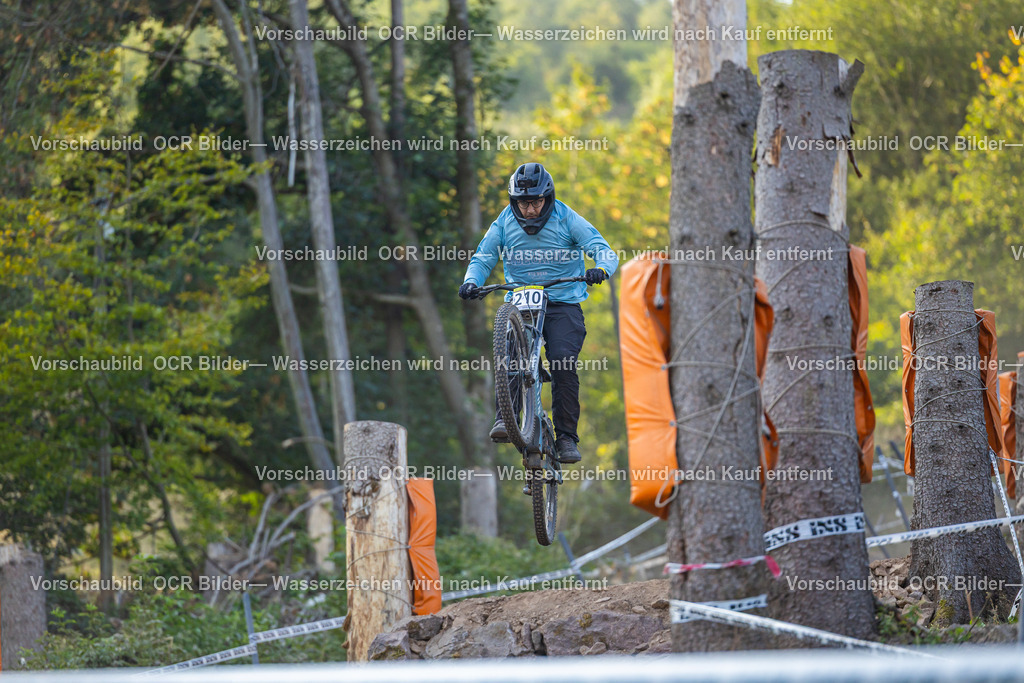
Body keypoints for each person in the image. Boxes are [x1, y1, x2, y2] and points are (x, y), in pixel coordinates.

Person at [458, 162, 618, 464]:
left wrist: (601, 269)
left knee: (562, 361)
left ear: (548, 198)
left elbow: (603, 250)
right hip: (521, 300)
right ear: (513, 201)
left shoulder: (567, 218)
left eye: (535, 202)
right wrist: (470, 282)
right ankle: (506, 418)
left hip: (562, 303)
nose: (529, 209)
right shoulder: (504, 223)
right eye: (522, 202)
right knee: (509, 352)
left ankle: (567, 438)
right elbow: (483, 257)